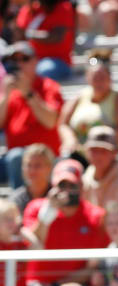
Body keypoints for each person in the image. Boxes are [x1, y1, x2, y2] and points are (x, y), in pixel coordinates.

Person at [21, 158, 110, 286]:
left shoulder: (96, 216)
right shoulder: (37, 208)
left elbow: (91, 266)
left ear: (81, 186)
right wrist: (47, 214)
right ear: (53, 187)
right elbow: (30, 247)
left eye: (72, 185)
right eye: (62, 185)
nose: (67, 190)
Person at [58, 49, 118, 159]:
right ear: (88, 78)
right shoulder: (79, 97)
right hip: (85, 155)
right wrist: (70, 140)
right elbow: (63, 124)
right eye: (95, 77)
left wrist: (98, 144)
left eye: (102, 77)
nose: (98, 82)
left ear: (110, 78)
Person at [0, 41, 64, 189]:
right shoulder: (9, 91)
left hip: (45, 159)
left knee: (17, 157)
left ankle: (20, 204)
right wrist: (6, 95)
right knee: (15, 157)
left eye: (25, 59)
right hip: (15, 161)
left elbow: (50, 121)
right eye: (14, 60)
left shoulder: (49, 86)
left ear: (36, 62)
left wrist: (28, 94)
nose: (19, 64)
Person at [14, 0, 75, 81]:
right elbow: (19, 34)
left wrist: (29, 34)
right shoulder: (29, 9)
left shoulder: (63, 7)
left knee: (41, 71)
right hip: (29, 60)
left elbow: (56, 37)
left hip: (58, 61)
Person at [10, 143, 54, 216]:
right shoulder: (16, 199)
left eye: (38, 165)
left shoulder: (58, 195)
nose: (32, 171)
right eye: (28, 165)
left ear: (49, 167)